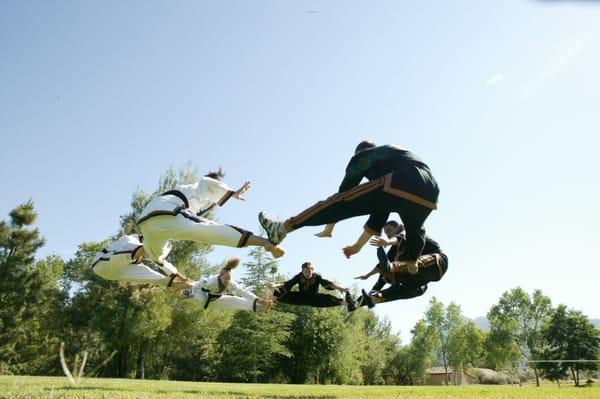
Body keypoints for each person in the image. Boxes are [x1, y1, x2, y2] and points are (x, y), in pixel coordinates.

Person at [259, 141, 439, 271]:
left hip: (404, 179)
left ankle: (282, 228)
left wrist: (329, 227)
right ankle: (411, 260)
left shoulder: (367, 155)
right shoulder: (396, 159)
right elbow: (378, 215)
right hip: (430, 194)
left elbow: (342, 197)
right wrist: (356, 247)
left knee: (340, 202)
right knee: (415, 227)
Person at [137, 169, 286, 270]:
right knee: (213, 231)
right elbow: (206, 183)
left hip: (147, 224)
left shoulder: (199, 201)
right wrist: (233, 193)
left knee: (157, 256)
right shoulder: (197, 186)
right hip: (168, 211)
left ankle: (142, 250)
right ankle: (266, 242)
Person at [353, 220, 448, 309]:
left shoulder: (408, 233)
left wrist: (387, 242)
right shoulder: (394, 250)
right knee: (393, 278)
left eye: (390, 231)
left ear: (399, 226)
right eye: (387, 235)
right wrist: (368, 275)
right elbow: (380, 266)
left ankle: (392, 269)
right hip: (422, 280)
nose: (389, 235)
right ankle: (372, 299)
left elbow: (399, 237)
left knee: (397, 265)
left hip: (437, 262)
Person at [91, 234, 190, 291]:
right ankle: (174, 282)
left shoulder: (146, 246)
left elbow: (158, 259)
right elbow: (148, 251)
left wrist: (176, 274)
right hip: (101, 263)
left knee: (152, 275)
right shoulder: (130, 239)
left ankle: (178, 286)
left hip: (114, 272)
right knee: (136, 252)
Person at [185, 258, 272, 312]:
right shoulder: (212, 281)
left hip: (217, 299)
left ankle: (259, 307)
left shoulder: (231, 283)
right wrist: (190, 288)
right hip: (203, 299)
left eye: (229, 278)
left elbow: (243, 292)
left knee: (234, 300)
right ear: (220, 276)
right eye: (225, 278)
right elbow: (200, 282)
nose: (227, 280)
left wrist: (258, 300)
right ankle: (187, 293)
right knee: (201, 298)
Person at [266, 261, 356, 311]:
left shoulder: (316, 277)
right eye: (305, 271)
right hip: (301, 297)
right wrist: (274, 285)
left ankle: (347, 303)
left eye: (309, 271)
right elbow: (287, 283)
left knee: (328, 298)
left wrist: (340, 288)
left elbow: (327, 283)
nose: (308, 273)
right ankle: (270, 299)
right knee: (284, 294)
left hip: (314, 297)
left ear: (312, 270)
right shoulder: (299, 276)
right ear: (302, 271)